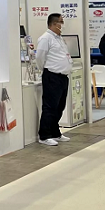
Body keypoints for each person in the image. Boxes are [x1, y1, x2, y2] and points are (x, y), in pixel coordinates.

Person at [35, 13, 72, 146]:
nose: (63, 24)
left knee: (60, 106)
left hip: (63, 77)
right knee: (50, 107)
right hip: (52, 76)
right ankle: (44, 135)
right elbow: (40, 57)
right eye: (61, 22)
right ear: (54, 24)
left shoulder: (59, 38)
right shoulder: (46, 38)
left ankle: (55, 132)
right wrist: (46, 70)